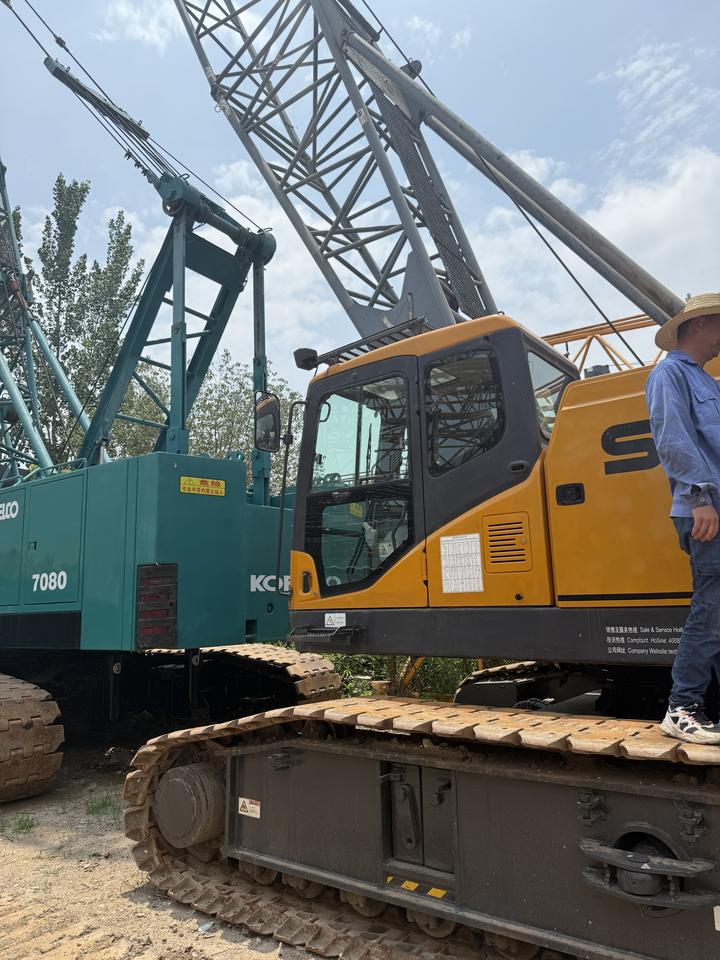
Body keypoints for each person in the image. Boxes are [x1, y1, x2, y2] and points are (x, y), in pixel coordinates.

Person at [646, 293, 720, 744]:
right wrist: (699, 498)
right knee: (711, 609)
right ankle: (682, 708)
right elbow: (671, 438)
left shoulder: (707, 380)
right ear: (699, 324)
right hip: (705, 508)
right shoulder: (669, 374)